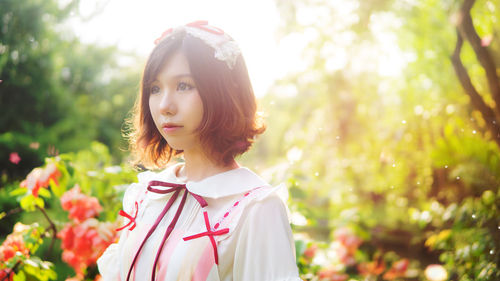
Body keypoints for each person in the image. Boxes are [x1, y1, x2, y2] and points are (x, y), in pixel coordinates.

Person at [97, 21, 300, 281]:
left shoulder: (255, 209)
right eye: (155, 89)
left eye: (184, 86)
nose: (164, 106)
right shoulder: (146, 195)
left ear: (223, 92)